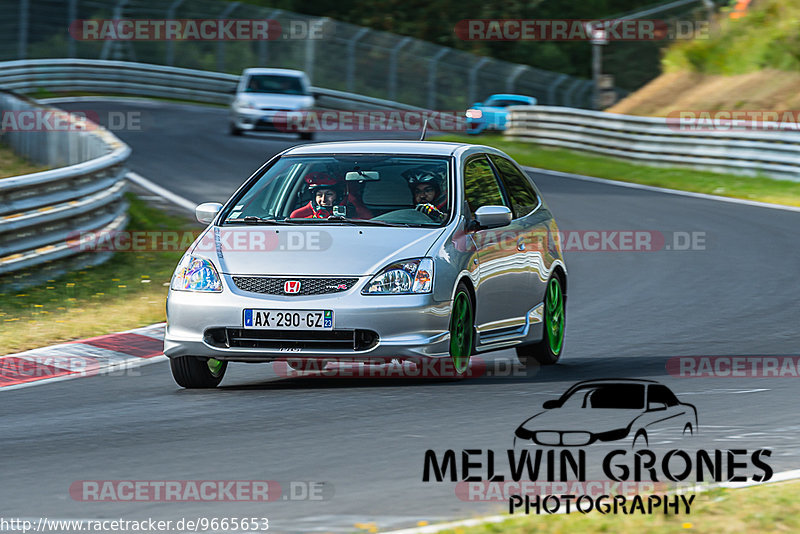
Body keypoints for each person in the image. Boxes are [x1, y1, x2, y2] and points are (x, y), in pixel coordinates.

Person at [290, 171, 372, 219]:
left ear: (339, 195)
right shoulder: (298, 216)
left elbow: (369, 220)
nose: (323, 199)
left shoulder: (351, 209)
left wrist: (353, 201)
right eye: (319, 195)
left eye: (329, 194)